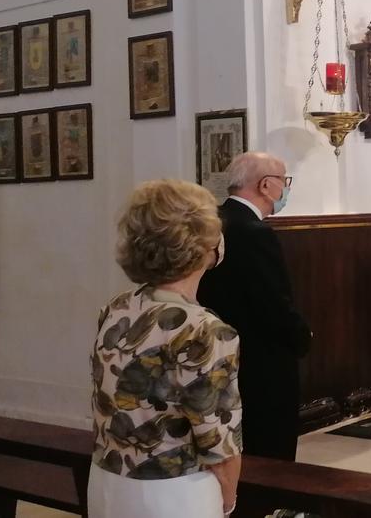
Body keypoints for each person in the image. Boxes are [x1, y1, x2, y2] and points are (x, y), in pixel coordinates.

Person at [90, 179, 241, 517]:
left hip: (108, 481)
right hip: (176, 492)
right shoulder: (206, 330)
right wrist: (228, 498)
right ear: (202, 244)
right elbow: (220, 442)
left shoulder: (117, 309)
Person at [198, 152, 312, 460]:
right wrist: (302, 336)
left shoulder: (212, 221)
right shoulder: (254, 231)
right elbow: (272, 301)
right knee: (270, 443)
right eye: (284, 182)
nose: (286, 189)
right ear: (265, 185)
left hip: (218, 350)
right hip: (262, 357)